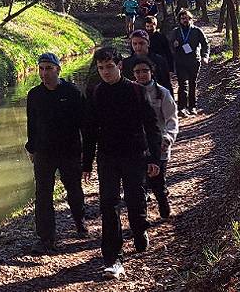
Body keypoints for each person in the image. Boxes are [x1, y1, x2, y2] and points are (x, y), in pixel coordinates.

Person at [82, 47, 163, 280]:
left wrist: (154, 158)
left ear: (119, 66)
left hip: (134, 155)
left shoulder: (136, 91)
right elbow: (89, 130)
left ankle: (139, 229)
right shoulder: (96, 93)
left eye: (109, 67)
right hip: (107, 156)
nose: (105, 72)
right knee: (109, 204)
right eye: (100, 68)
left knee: (135, 200)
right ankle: (113, 257)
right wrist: (86, 163)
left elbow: (152, 127)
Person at [25, 52, 87, 254]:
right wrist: (31, 148)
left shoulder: (72, 92)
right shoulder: (34, 95)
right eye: (41, 68)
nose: (44, 73)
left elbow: (83, 125)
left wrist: (86, 153)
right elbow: (31, 124)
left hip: (69, 151)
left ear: (58, 70)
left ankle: (80, 220)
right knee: (43, 195)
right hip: (44, 152)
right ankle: (46, 238)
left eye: (49, 68)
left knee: (74, 190)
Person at [131, 57, 179, 220]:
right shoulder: (130, 92)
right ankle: (141, 219)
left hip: (159, 145)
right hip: (137, 146)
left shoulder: (162, 93)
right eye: (137, 71)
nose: (141, 74)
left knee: (158, 181)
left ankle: (164, 206)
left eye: (145, 71)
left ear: (152, 72)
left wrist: (167, 139)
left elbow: (172, 119)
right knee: (139, 185)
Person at [170, 8, 209, 117]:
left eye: (187, 18)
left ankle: (192, 106)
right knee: (183, 84)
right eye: (182, 18)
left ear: (191, 19)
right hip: (180, 61)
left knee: (193, 83)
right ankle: (181, 108)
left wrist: (205, 56)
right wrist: (174, 45)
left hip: (194, 61)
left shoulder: (197, 31)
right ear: (179, 20)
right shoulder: (176, 32)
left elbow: (205, 44)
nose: (185, 20)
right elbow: (169, 45)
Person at [142, 16, 174, 93]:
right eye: (147, 26)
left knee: (164, 85)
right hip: (147, 64)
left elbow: (168, 52)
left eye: (151, 26)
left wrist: (171, 68)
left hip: (161, 65)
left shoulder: (161, 37)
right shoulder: (143, 38)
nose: (149, 28)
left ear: (155, 25)